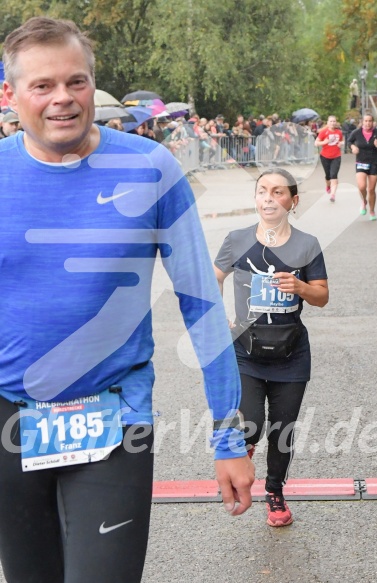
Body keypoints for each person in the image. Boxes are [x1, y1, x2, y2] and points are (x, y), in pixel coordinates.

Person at [0, 16, 254, 583]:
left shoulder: (150, 167)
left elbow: (202, 306)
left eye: (77, 81)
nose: (62, 98)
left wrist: (228, 433)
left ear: (94, 84)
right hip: (9, 418)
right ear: (10, 95)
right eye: (42, 85)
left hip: (113, 417)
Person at [214, 168, 328, 527]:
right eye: (262, 190)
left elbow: (322, 296)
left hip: (291, 355)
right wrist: (221, 322)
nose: (268, 197)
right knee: (251, 424)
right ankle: (242, 456)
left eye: (278, 192)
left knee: (283, 431)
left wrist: (300, 286)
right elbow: (213, 278)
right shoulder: (237, 239)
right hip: (246, 353)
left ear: (293, 202)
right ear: (256, 198)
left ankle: (275, 492)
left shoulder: (306, 244)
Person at [348, 113, 377, 220]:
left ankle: (372, 211)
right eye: (366, 121)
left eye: (370, 121)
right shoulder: (356, 133)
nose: (368, 123)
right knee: (361, 186)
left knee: (371, 189)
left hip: (374, 163)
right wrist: (352, 147)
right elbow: (349, 141)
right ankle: (363, 201)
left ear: (372, 122)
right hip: (361, 162)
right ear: (362, 122)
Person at [315, 115, 344, 202]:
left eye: (334, 121)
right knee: (328, 176)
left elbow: (342, 140)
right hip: (325, 156)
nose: (332, 123)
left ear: (336, 123)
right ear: (328, 123)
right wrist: (324, 142)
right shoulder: (324, 132)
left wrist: (341, 143)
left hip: (336, 156)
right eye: (331, 121)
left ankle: (333, 195)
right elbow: (316, 143)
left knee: (334, 175)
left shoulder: (339, 132)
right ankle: (328, 186)